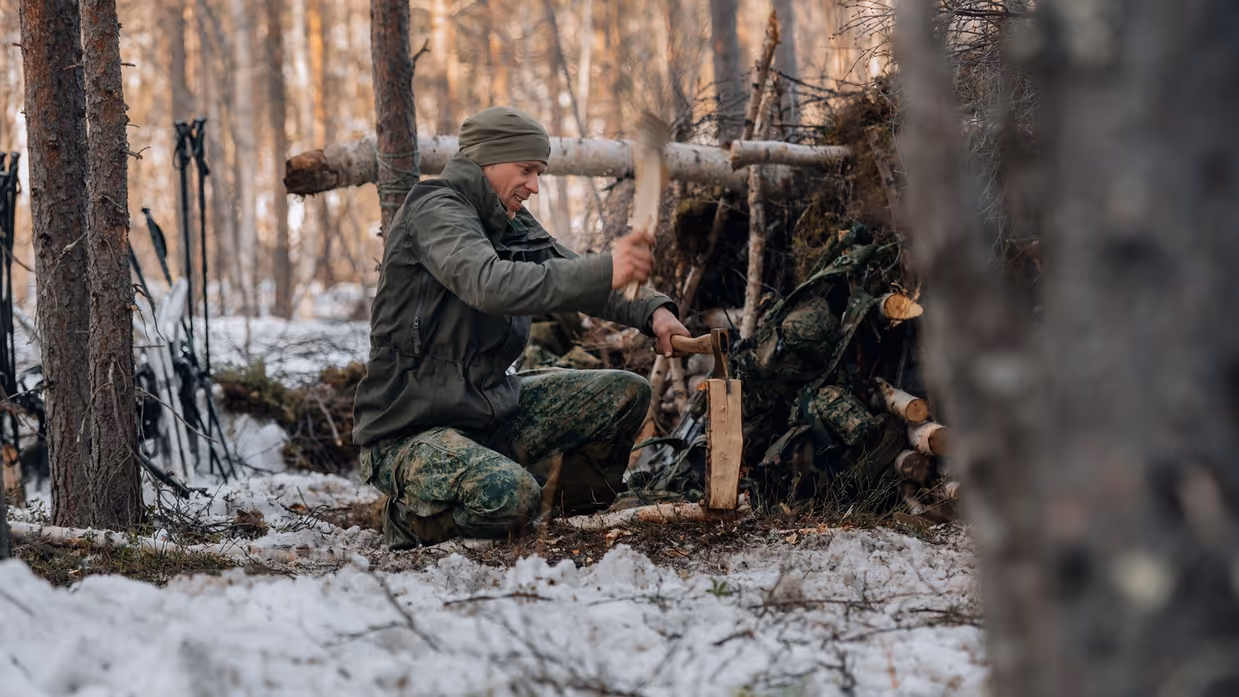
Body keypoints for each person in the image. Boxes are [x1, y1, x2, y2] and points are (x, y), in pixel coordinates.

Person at [352, 106, 691, 548]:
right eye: (526, 170)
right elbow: (489, 284)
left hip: (488, 412)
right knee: (509, 497)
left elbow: (573, 275)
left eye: (539, 172)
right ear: (488, 161)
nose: (534, 185)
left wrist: (652, 311)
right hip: (409, 430)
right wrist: (609, 268)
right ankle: (409, 519)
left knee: (627, 393)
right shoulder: (434, 209)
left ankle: (557, 516)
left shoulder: (510, 222)